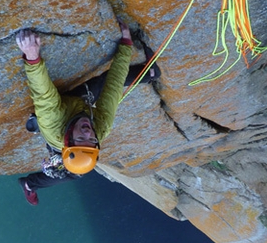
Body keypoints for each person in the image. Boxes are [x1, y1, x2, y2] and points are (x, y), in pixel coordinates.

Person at [16, 20, 160, 205]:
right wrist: (126, 45)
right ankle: (150, 74)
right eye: (91, 141)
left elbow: (43, 95)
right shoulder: (100, 128)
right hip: (74, 114)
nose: (88, 133)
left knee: (71, 170)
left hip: (62, 113)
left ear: (69, 139)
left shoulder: (53, 122)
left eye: (81, 139)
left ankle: (29, 184)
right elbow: (113, 87)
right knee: (76, 172)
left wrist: (32, 57)